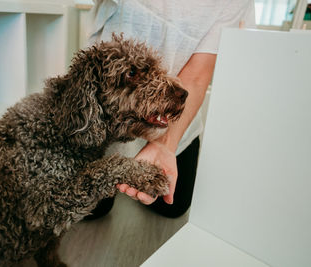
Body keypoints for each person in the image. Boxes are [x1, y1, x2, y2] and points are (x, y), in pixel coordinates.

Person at [84, 0, 256, 219]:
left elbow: (196, 77)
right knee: (91, 210)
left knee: (172, 206)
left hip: (171, 117)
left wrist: (165, 144)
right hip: (107, 113)